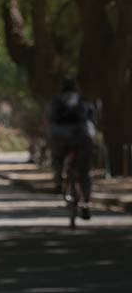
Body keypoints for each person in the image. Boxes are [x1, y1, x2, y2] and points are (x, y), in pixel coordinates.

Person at [48, 76, 97, 218]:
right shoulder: (84, 101)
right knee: (85, 171)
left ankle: (58, 182)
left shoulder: (56, 101)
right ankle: (86, 201)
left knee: (57, 158)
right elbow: (93, 118)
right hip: (83, 135)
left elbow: (50, 119)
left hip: (61, 135)